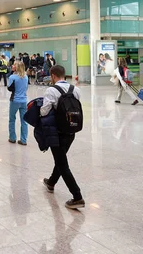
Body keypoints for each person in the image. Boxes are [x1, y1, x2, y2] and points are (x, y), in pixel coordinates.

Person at [41, 65, 84, 209]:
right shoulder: (75, 90)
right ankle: (51, 182)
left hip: (57, 133)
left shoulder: (51, 90)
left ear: (53, 75)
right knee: (61, 159)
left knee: (62, 164)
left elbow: (44, 111)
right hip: (71, 131)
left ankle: (77, 196)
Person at [8, 60, 29, 145]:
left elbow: (9, 88)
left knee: (12, 119)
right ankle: (23, 140)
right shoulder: (26, 77)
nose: (12, 66)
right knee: (24, 121)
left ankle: (12, 138)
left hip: (15, 100)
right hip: (24, 100)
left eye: (14, 65)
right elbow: (26, 88)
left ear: (16, 67)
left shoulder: (12, 77)